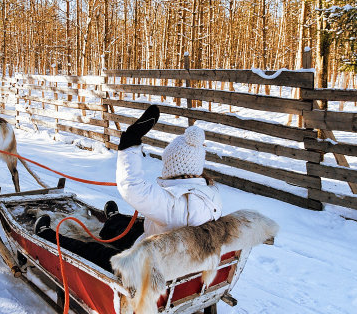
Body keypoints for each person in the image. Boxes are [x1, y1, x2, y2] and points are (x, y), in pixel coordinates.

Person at [34, 104, 222, 272]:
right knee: (135, 229)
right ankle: (115, 222)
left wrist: (130, 143)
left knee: (93, 251)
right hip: (176, 257)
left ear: (173, 167)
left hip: (148, 271)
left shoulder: (173, 203)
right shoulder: (211, 194)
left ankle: (47, 236)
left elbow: (132, 186)